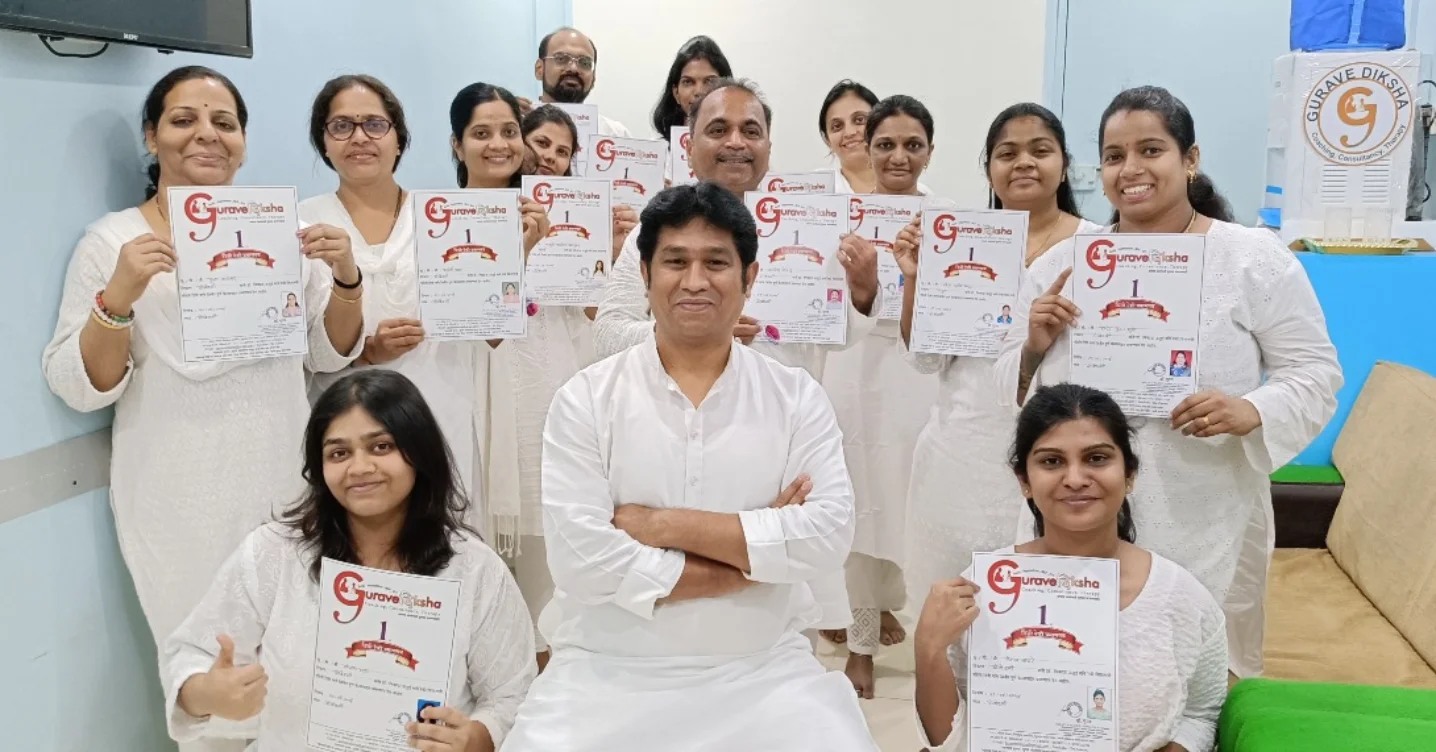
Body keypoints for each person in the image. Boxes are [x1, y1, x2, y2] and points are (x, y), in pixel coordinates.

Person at [41, 67, 364, 752]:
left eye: (224, 122)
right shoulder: (113, 243)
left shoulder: (283, 231)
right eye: (184, 119)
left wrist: (346, 277)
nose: (206, 135)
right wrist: (119, 296)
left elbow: (328, 353)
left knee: (300, 664)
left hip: (283, 480)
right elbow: (81, 384)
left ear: (244, 139)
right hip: (174, 495)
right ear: (151, 135)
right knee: (209, 677)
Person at [502, 183, 879, 751]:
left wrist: (662, 525)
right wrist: (753, 559)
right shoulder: (585, 398)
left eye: (717, 263)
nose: (695, 281)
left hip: (763, 669)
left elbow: (826, 538)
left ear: (750, 279)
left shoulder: (795, 396)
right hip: (606, 670)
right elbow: (583, 564)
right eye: (675, 262)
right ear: (646, 276)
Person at [995, 86, 1342, 679]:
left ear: (1190, 158)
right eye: (1113, 156)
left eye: (1150, 150)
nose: (1130, 169)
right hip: (1080, 506)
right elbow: (1007, 388)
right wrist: (1032, 346)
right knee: (1077, 668)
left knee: (1193, 674)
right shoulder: (1062, 265)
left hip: (1206, 507)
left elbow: (1315, 371)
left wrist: (1253, 409)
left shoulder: (1251, 258)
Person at [592, 79, 882, 643]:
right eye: (718, 129)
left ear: (769, 145)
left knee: (780, 624)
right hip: (669, 442)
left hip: (773, 448)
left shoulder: (809, 225)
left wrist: (864, 292)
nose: (736, 143)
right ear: (688, 145)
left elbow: (833, 334)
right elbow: (606, 332)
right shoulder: (658, 229)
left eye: (751, 130)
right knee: (673, 617)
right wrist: (690, 331)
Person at [162, 370, 536, 751]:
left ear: (420, 452)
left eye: (381, 447)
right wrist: (206, 693)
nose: (359, 468)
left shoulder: (475, 570)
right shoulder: (274, 554)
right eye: (339, 453)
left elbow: (512, 696)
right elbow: (189, 655)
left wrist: (474, 738)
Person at [913, 383, 1228, 752]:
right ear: (1024, 481)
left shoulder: (1180, 598)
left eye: (1096, 458)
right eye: (1052, 461)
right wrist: (928, 647)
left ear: (1129, 474)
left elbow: (1202, 712)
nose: (1075, 479)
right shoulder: (982, 591)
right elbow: (948, 741)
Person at [897, 103, 1099, 638]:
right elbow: (926, 356)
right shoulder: (959, 241)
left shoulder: (1100, 247)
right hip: (960, 454)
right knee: (955, 614)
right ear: (988, 169)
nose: (1023, 163)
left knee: (1039, 619)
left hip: (1061, 458)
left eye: (1040, 150)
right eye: (1007, 153)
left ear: (1064, 164)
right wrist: (915, 277)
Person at [299, 75, 489, 532]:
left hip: (442, 403)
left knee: (444, 541)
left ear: (399, 139)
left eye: (374, 124)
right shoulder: (303, 225)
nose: (359, 137)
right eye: (341, 126)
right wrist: (367, 354)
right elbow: (302, 348)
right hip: (348, 424)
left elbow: (486, 319)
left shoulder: (445, 216)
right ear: (324, 143)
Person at [455, 82, 589, 671]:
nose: (503, 144)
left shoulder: (557, 218)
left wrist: (603, 251)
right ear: (457, 144)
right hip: (466, 383)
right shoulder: (439, 218)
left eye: (508, 131)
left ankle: (541, 669)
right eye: (484, 133)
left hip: (539, 381)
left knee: (539, 539)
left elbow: (587, 313)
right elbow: (464, 317)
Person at [817, 95, 943, 697]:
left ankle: (937, 647)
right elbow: (822, 306)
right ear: (867, 150)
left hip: (924, 376)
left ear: (930, 152)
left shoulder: (949, 221)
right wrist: (864, 288)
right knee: (861, 506)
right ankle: (860, 647)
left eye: (912, 145)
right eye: (886, 144)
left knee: (920, 505)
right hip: (856, 372)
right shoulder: (837, 220)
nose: (898, 156)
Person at [524, 27, 630, 137]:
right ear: (539, 69)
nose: (573, 68)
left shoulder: (615, 135)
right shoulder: (519, 126)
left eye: (584, 63)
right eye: (561, 59)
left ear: (593, 77)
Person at [651, 35, 733, 142]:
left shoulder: (739, 144)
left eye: (710, 81)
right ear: (676, 93)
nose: (699, 91)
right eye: (688, 82)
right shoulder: (659, 148)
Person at [820, 80, 879, 194]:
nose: (849, 133)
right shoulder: (816, 189)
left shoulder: (911, 187)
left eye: (859, 120)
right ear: (827, 140)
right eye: (837, 126)